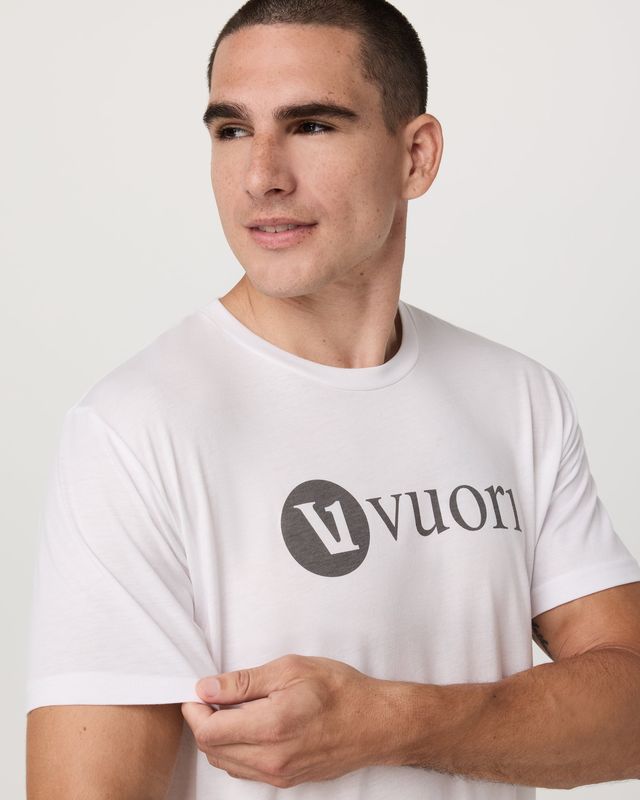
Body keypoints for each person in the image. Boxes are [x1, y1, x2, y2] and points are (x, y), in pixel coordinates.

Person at [25, 0, 640, 798]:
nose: (261, 176)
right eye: (232, 130)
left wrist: (390, 722)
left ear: (415, 156)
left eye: (311, 126)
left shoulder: (516, 397)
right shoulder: (135, 428)